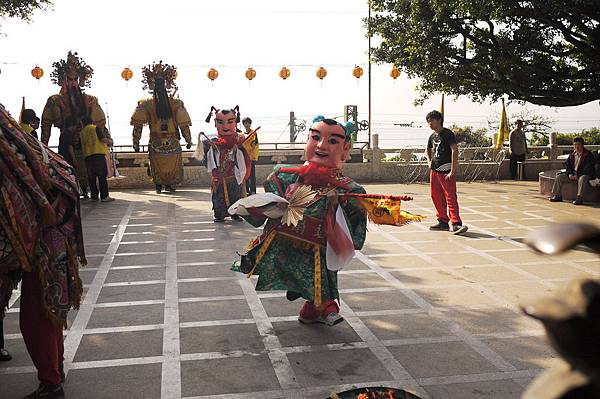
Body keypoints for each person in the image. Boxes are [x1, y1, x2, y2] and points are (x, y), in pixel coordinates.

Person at [232, 116, 367, 326]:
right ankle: (317, 307)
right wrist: (258, 207)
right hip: (285, 241)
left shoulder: (350, 191)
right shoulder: (284, 177)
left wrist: (335, 205)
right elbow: (266, 208)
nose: (321, 145)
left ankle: (320, 307)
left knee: (322, 275)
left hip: (319, 247)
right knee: (293, 274)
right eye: (316, 137)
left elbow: (355, 230)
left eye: (333, 141)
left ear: (346, 147)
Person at [0, 102, 86, 399]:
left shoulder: (13, 156)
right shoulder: (26, 147)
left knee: (37, 317)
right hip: (53, 236)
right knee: (47, 311)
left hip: (43, 239)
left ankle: (52, 382)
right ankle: (55, 371)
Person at [41, 51, 110, 199]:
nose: (73, 83)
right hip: (67, 142)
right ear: (63, 80)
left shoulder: (91, 100)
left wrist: (106, 139)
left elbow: (100, 124)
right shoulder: (55, 100)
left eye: (75, 79)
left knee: (91, 171)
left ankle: (90, 192)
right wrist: (43, 147)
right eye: (69, 79)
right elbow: (46, 124)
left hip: (87, 144)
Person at [131, 61, 193, 194]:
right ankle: (164, 185)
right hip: (164, 141)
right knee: (162, 164)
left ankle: (162, 185)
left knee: (164, 164)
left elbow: (138, 127)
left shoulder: (151, 104)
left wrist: (135, 142)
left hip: (160, 141)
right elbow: (184, 126)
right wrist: (188, 140)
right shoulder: (171, 103)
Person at [198, 106, 251, 222]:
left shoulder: (240, 139)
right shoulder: (211, 141)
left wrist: (238, 149)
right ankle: (219, 214)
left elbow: (246, 157)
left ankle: (235, 214)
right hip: (219, 174)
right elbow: (204, 159)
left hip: (233, 174)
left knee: (235, 195)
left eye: (230, 122)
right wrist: (211, 149)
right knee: (218, 196)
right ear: (216, 123)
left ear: (235, 123)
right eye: (220, 122)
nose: (225, 126)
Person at [425, 110, 468, 234]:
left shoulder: (448, 134)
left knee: (450, 197)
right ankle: (443, 221)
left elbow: (454, 150)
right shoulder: (432, 136)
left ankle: (456, 223)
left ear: (439, 120)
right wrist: (429, 162)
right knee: (436, 196)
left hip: (446, 170)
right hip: (435, 170)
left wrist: (453, 170)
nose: (430, 123)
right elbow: (427, 149)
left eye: (431, 120)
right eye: (428, 121)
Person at [550, 137, 595, 205]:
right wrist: (570, 174)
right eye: (575, 145)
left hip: (584, 175)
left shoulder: (588, 155)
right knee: (559, 177)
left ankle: (579, 198)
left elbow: (588, 168)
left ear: (582, 145)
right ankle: (557, 195)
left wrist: (578, 175)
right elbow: (568, 166)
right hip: (573, 175)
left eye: (578, 144)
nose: (576, 147)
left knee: (582, 178)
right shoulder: (572, 155)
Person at [80, 116, 114, 202]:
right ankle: (104, 196)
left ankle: (94, 196)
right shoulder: (95, 128)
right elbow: (102, 139)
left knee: (91, 177)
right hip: (98, 154)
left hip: (88, 156)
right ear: (92, 121)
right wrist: (110, 141)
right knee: (102, 176)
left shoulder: (82, 132)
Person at [242, 117, 259, 194]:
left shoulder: (253, 134)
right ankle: (246, 190)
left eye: (248, 123)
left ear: (250, 124)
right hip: (244, 157)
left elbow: (255, 146)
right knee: (245, 174)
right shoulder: (242, 134)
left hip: (251, 157)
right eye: (245, 123)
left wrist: (253, 157)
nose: (247, 124)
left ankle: (253, 190)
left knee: (251, 175)